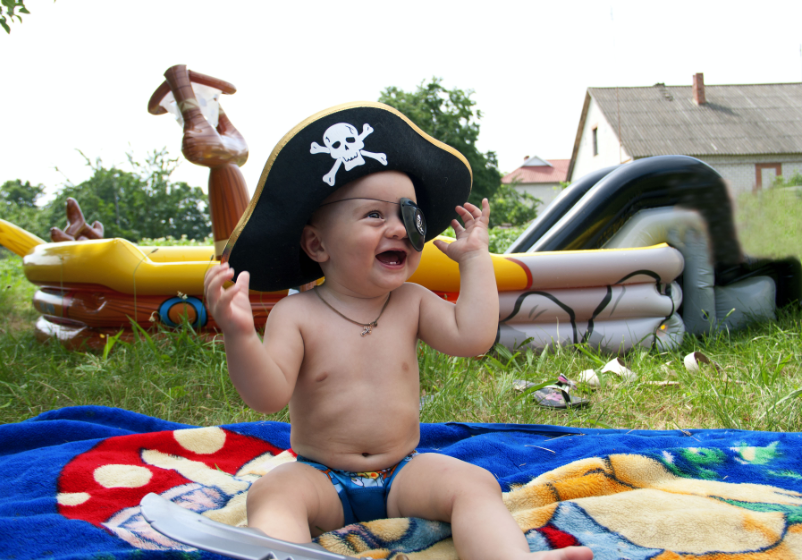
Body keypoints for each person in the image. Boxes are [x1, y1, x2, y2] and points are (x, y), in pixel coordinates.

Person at [204, 102, 593, 560]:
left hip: (404, 472)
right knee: (272, 492)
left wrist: (475, 260)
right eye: (374, 215)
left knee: (474, 482)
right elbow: (266, 396)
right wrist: (240, 335)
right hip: (319, 477)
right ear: (317, 243)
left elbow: (473, 337)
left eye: (408, 215)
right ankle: (285, 553)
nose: (399, 229)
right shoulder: (297, 314)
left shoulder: (412, 302)